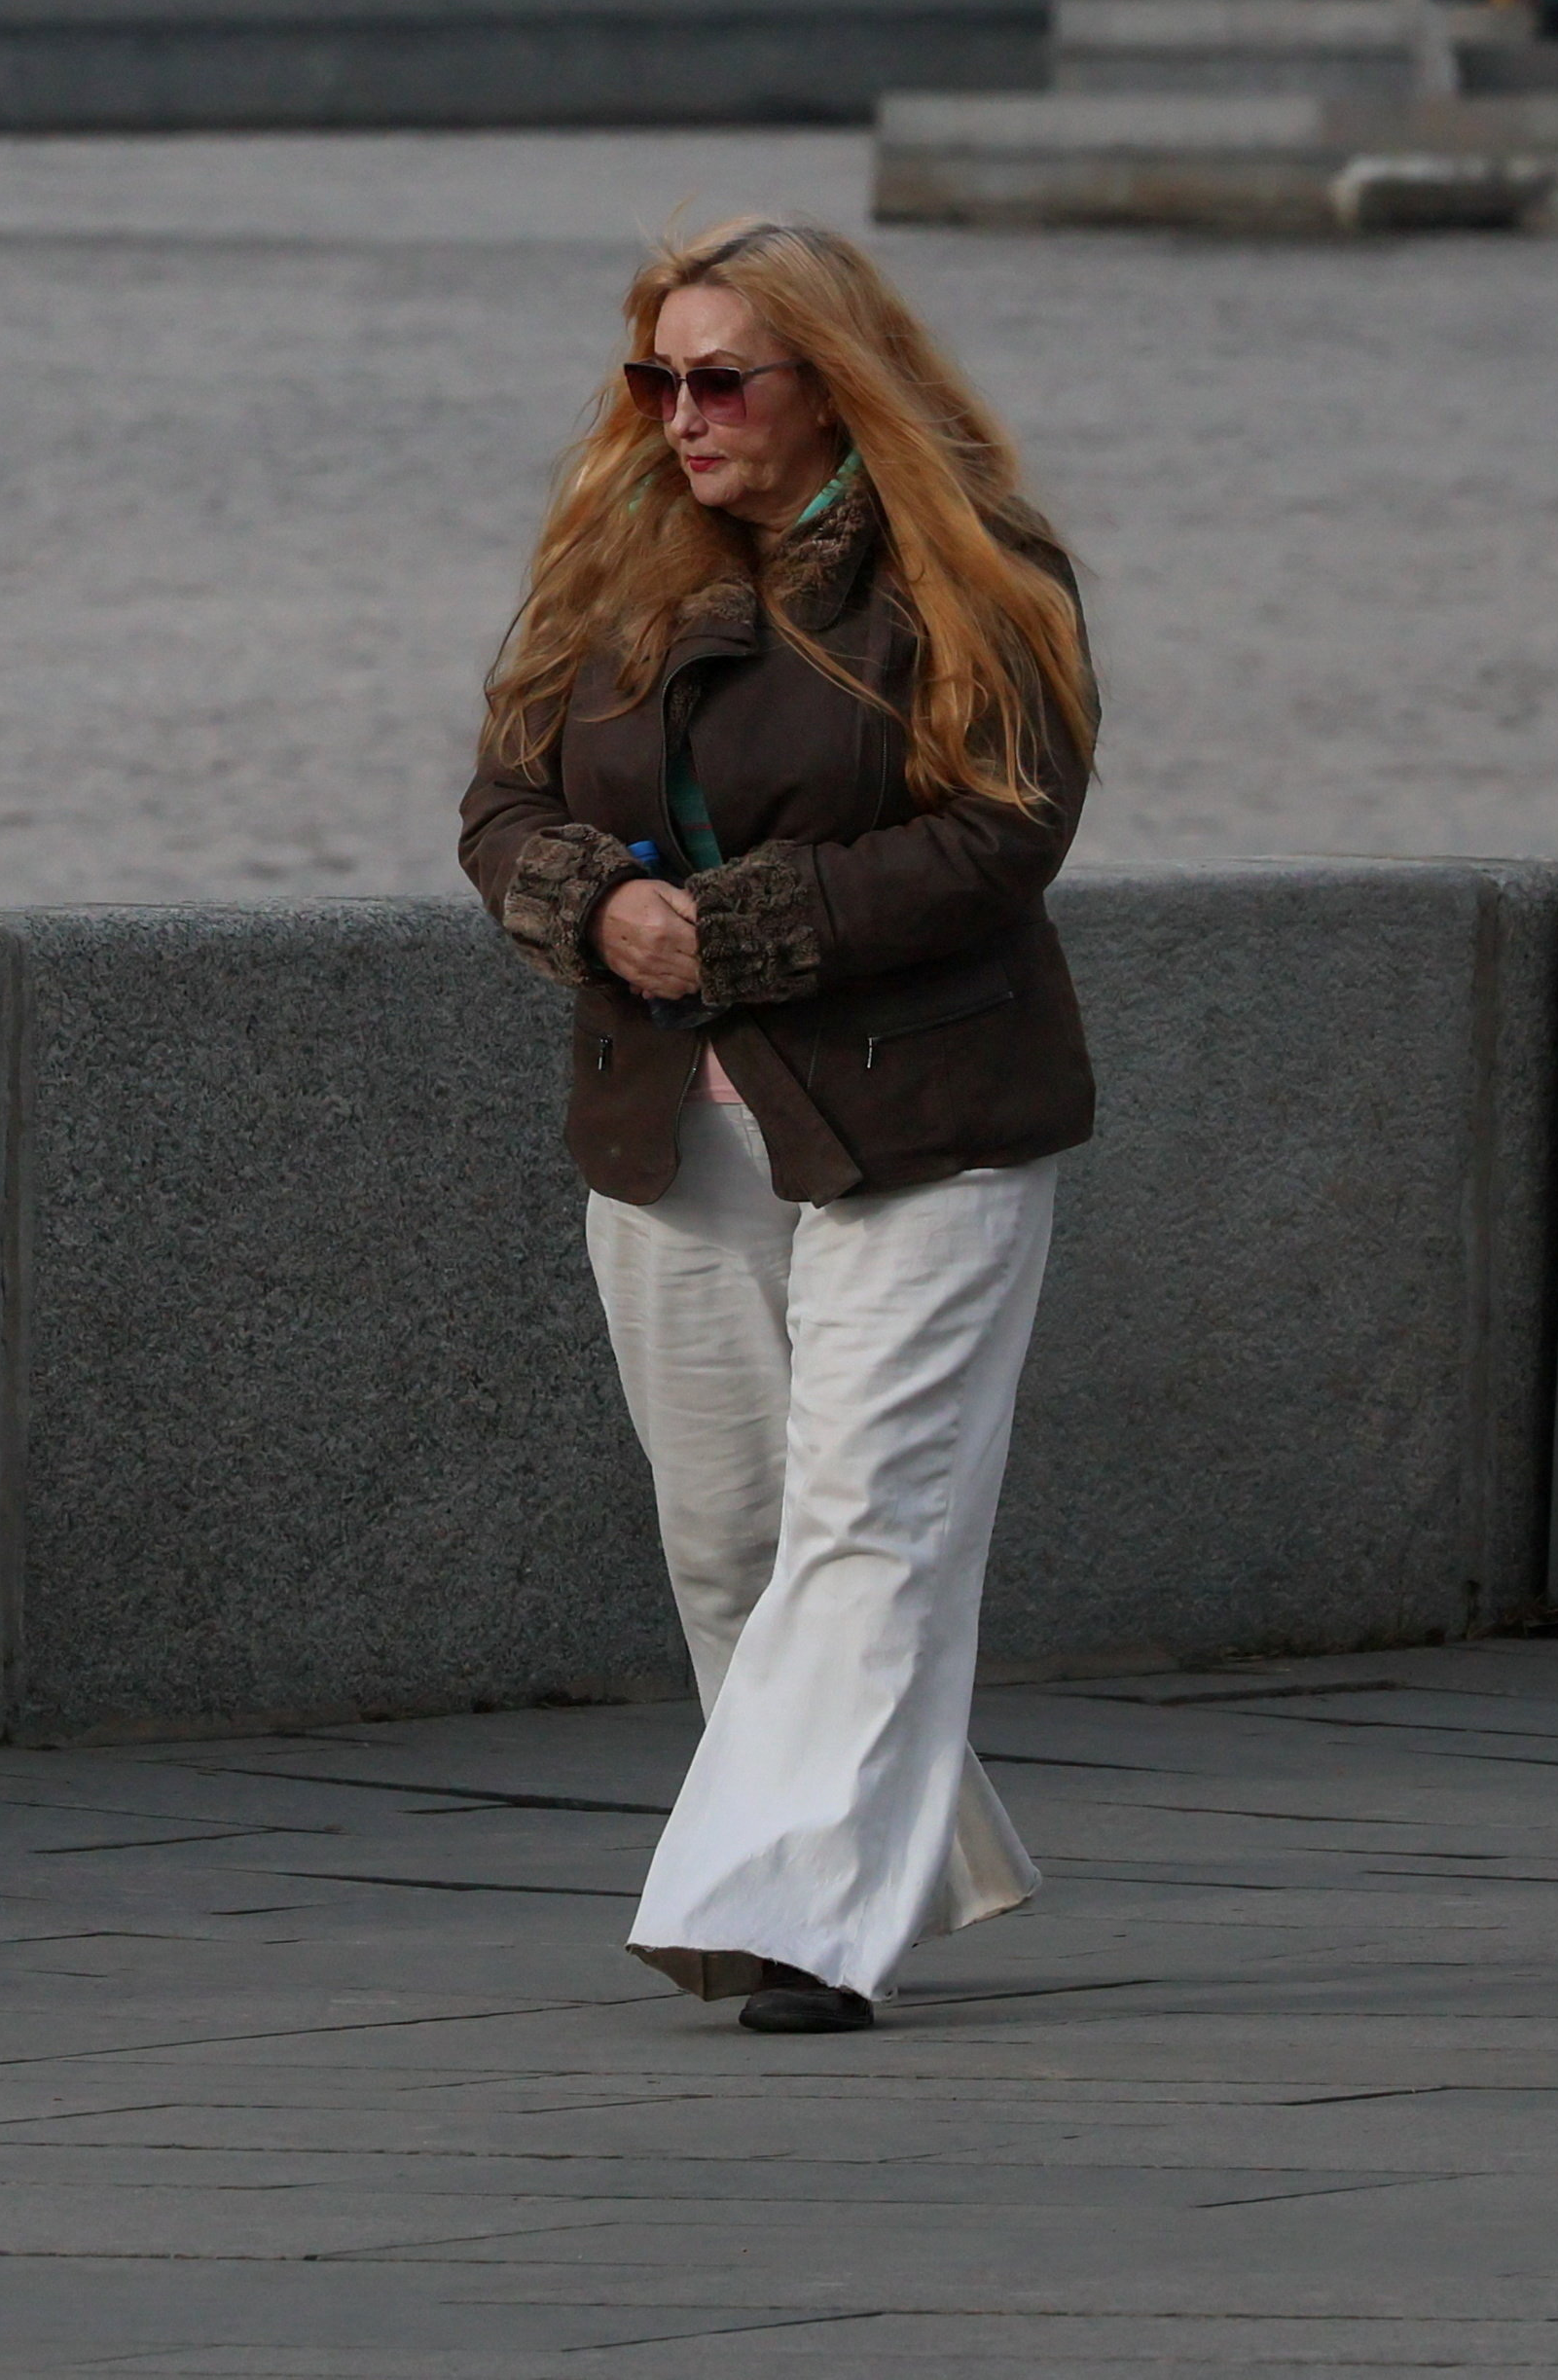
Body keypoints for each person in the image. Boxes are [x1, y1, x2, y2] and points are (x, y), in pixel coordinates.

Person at [459, 212, 1098, 2039]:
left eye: (722, 376)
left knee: (868, 1521)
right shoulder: (608, 564)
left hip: (929, 1119)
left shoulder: (976, 568)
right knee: (733, 1539)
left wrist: (728, 927)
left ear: (836, 384)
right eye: (655, 376)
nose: (681, 413)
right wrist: (590, 904)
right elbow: (500, 799)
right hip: (676, 1124)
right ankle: (908, 1845)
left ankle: (803, 1919)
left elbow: (1004, 831)